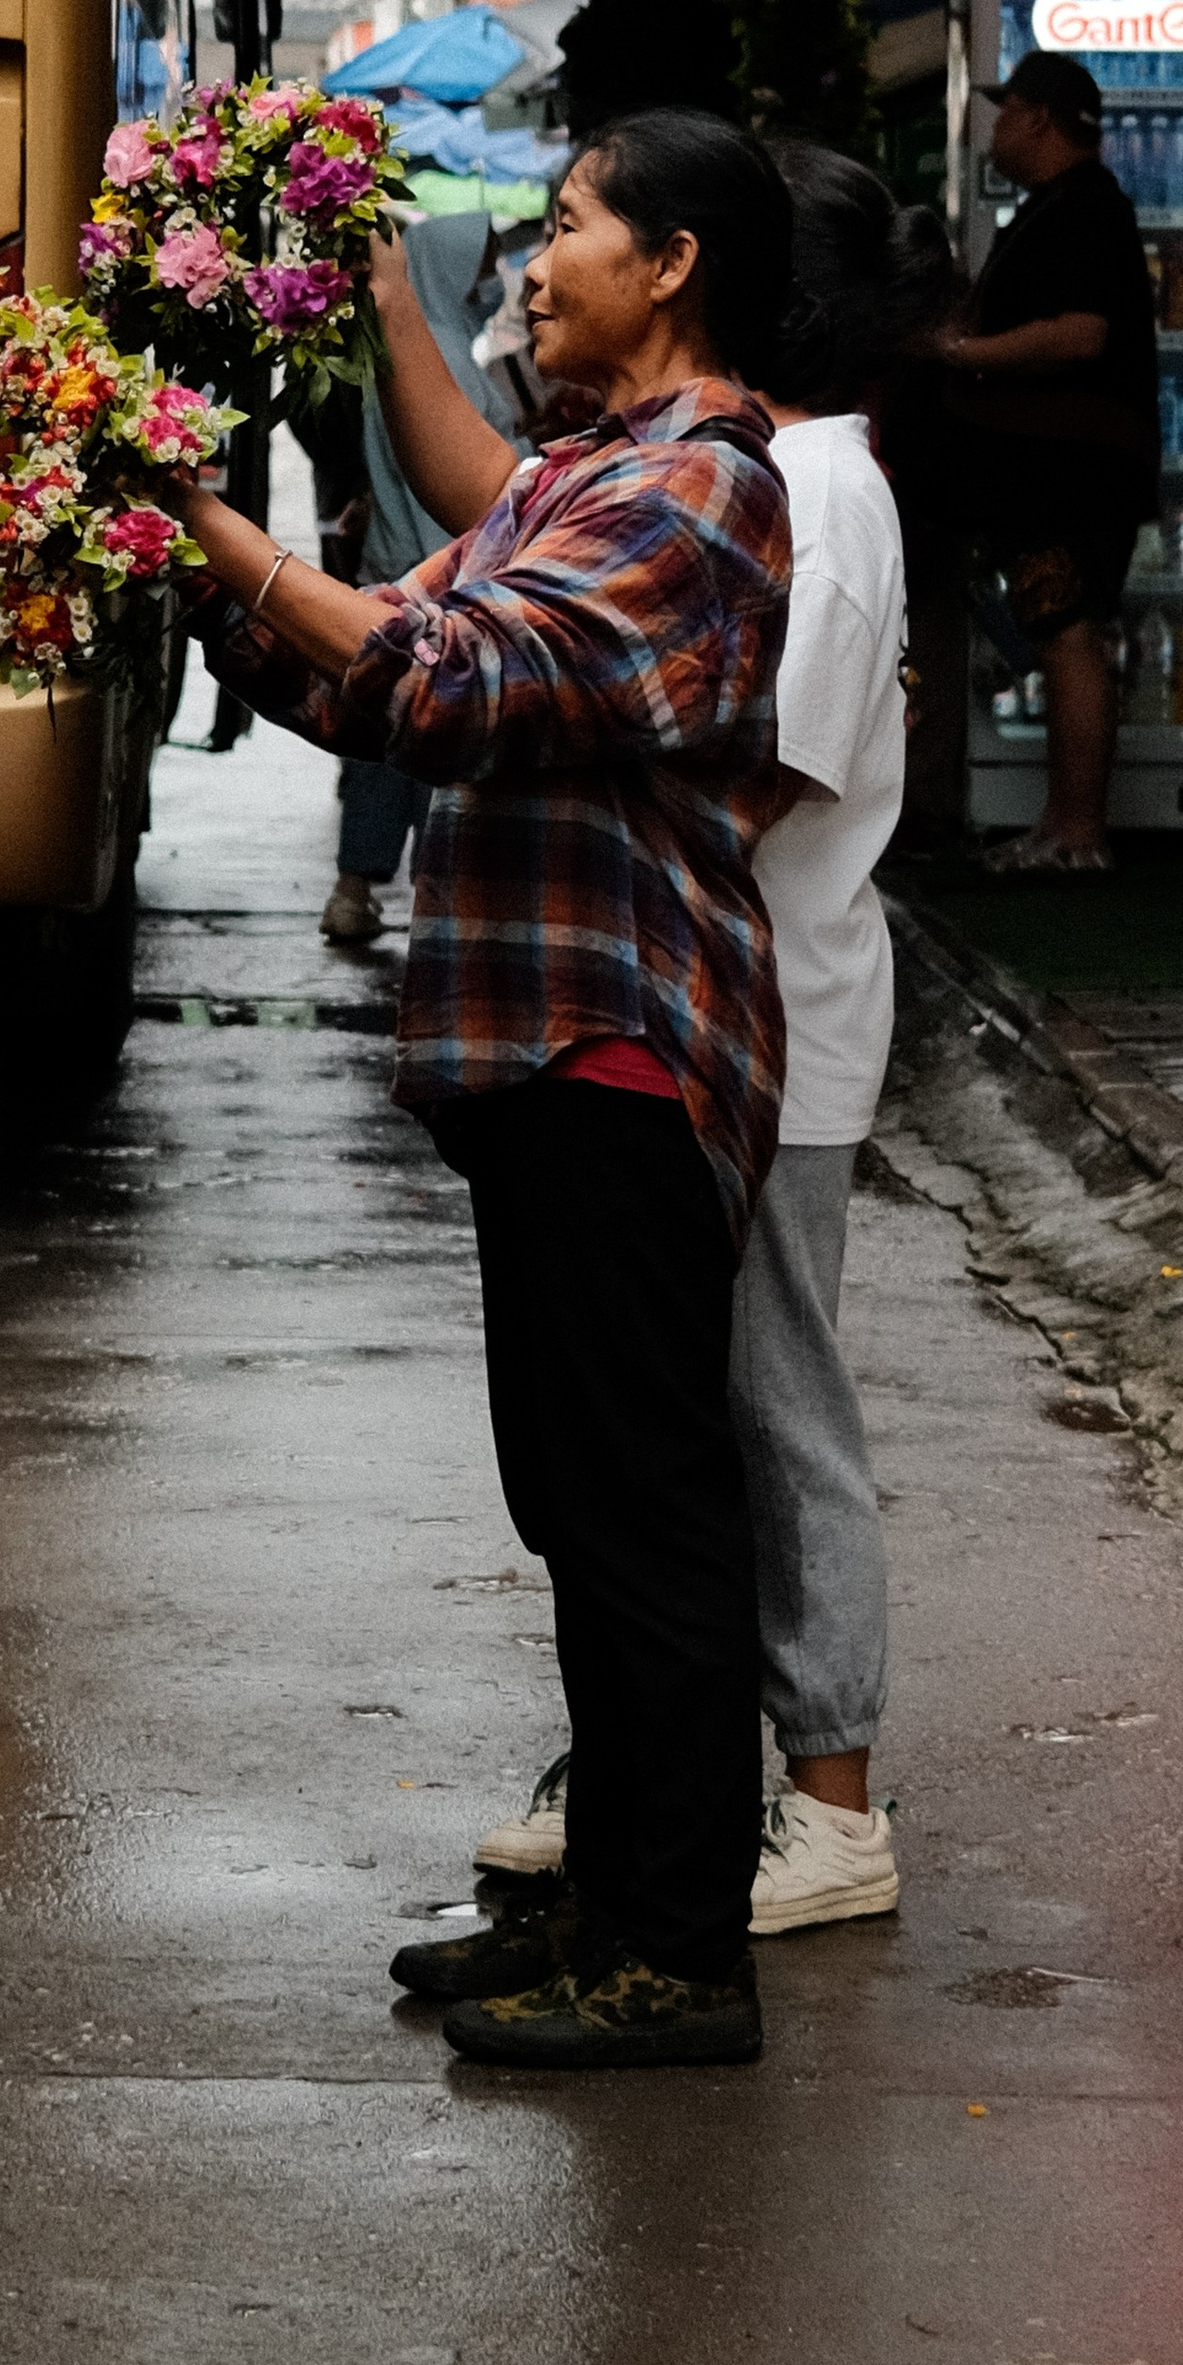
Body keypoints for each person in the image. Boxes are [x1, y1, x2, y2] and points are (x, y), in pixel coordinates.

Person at [182, 112, 801, 2072]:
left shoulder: (698, 489)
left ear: (672, 263)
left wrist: (222, 538)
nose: (531, 266)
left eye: (563, 228)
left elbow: (454, 683)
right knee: (575, 1496)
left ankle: (677, 1953)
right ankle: (606, 1906)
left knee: (640, 1506)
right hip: (538, 1054)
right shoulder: (576, 477)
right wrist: (179, 555)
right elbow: (372, 679)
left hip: (620, 1046)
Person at [473, 146, 954, 1933]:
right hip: (710, 1017)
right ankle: (651, 1778)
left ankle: (829, 1799)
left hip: (769, 1032)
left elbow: (747, 787)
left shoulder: (813, 492)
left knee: (767, 1413)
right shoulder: (744, 469)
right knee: (668, 1435)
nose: (547, 264)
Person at [897, 49, 1157, 875]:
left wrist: (966, 350)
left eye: (1007, 109)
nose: (995, 126)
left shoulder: (1082, 209)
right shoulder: (1065, 207)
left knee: (1070, 637)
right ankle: (1060, 821)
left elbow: (1081, 334)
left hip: (1069, 477)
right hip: (1048, 476)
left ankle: (1079, 830)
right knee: (1058, 634)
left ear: (1039, 117)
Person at [319, 210, 533, 948]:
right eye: (479, 263)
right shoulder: (443, 356)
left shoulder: (409, 350)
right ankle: (435, 903)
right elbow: (477, 480)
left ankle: (354, 888)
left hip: (392, 560)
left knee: (386, 744)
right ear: (444, 266)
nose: (492, 279)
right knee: (437, 750)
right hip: (444, 573)